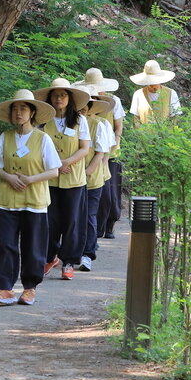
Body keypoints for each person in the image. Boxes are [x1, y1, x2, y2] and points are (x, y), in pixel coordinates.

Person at [0, 90, 61, 305]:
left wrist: (30, 179)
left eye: (23, 108)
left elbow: (54, 170)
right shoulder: (5, 137)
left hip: (35, 201)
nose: (18, 113)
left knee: (33, 246)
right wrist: (8, 177)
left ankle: (30, 288)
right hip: (7, 201)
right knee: (7, 244)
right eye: (15, 109)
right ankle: (5, 288)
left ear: (32, 112)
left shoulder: (42, 138)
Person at [35, 78, 92, 280]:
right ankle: (49, 256)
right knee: (50, 220)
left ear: (69, 99)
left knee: (72, 221)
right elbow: (37, 147)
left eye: (63, 95)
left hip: (73, 178)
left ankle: (68, 261)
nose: (59, 99)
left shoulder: (80, 120)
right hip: (49, 178)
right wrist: (55, 165)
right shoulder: (42, 120)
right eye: (55, 95)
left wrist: (66, 162)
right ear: (50, 98)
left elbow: (84, 148)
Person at [75, 68, 124, 239]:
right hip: (88, 153)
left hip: (110, 151)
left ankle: (107, 225)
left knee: (109, 194)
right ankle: (93, 232)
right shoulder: (83, 104)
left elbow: (118, 128)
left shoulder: (114, 101)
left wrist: (109, 151)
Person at [78, 93, 117, 272]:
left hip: (92, 179)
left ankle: (87, 253)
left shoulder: (99, 125)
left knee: (89, 216)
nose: (82, 110)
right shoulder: (71, 125)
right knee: (73, 217)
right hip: (69, 180)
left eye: (85, 107)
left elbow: (102, 153)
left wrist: (87, 173)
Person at [129, 60, 182, 124]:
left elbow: (175, 117)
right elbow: (136, 118)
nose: (153, 85)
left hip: (165, 129)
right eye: (150, 82)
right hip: (144, 130)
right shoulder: (138, 94)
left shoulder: (171, 93)